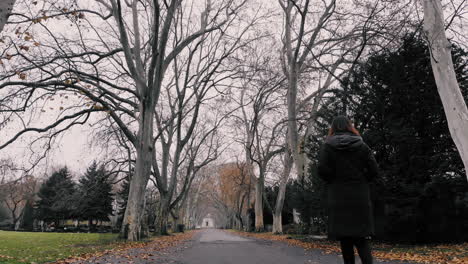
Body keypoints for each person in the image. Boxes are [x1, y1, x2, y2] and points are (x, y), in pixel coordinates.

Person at [318, 115, 379, 264]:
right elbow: (374, 170)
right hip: (359, 197)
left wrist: (333, 180)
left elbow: (321, 170)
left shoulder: (328, 146)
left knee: (345, 240)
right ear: (349, 126)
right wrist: (363, 180)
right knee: (362, 239)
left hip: (338, 198)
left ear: (333, 128)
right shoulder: (362, 145)